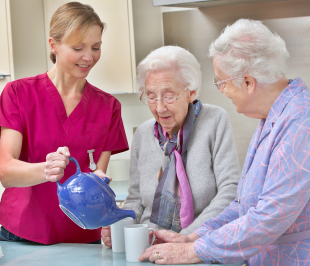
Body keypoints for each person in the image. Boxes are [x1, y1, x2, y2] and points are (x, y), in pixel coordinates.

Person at [139, 19, 310, 265]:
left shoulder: (303, 119)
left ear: (248, 82)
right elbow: (245, 204)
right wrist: (194, 237)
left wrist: (194, 251)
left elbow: (270, 215)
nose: (221, 90)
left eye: (221, 82)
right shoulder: (273, 116)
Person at [0, 2, 128, 245]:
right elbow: (6, 172)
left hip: (83, 236)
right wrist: (46, 169)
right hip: (23, 233)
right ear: (54, 45)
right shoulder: (18, 94)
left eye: (95, 47)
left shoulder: (109, 106)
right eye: (77, 47)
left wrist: (100, 184)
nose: (88, 57)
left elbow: (96, 177)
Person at [101, 46, 240, 247]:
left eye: (168, 96)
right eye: (151, 96)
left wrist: (186, 238)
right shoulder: (142, 133)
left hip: (199, 243)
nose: (159, 107)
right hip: (150, 245)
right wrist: (120, 229)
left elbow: (230, 190)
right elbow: (135, 200)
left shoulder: (214, 121)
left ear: (191, 92)